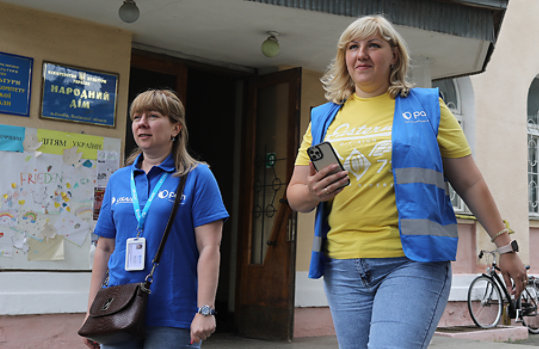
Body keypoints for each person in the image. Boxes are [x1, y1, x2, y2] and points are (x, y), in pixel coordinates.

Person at [286, 15, 527, 349]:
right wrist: (311, 191)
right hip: (342, 266)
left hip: (412, 263)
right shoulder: (325, 117)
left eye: (374, 45)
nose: (361, 54)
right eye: (352, 47)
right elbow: (296, 194)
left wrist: (505, 248)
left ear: (394, 55)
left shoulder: (427, 106)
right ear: (344, 57)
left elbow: (471, 183)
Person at [82, 89, 228, 349]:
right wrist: (93, 310)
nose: (142, 123)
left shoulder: (197, 176)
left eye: (153, 115)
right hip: (117, 308)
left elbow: (210, 248)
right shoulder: (118, 180)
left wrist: (205, 310)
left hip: (173, 312)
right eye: (136, 117)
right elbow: (104, 248)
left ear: (176, 128)